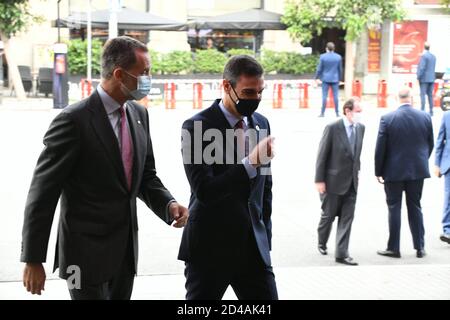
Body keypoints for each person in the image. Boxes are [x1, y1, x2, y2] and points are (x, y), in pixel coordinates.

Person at [20, 36, 189, 300]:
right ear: (120, 74)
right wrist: (32, 259)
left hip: (124, 254)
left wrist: (167, 204)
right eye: (144, 72)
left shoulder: (138, 114)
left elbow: (145, 176)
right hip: (82, 256)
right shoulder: (73, 121)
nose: (149, 78)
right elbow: (42, 192)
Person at [178, 55, 278, 300]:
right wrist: (249, 164)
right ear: (226, 86)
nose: (254, 99)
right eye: (248, 92)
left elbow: (265, 190)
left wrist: (266, 238)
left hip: (254, 250)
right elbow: (204, 190)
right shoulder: (196, 127)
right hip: (210, 249)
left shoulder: (261, 123)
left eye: (259, 92)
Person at [375, 87, 434, 259]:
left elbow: (381, 148)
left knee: (394, 208)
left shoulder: (387, 118)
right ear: (412, 98)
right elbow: (429, 144)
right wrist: (421, 161)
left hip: (393, 172)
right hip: (417, 170)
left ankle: (394, 248)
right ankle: (420, 247)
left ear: (396, 98)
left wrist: (379, 170)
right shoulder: (425, 117)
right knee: (415, 206)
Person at [315, 98, 365, 265]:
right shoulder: (333, 128)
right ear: (347, 111)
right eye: (358, 111)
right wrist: (319, 180)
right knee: (328, 216)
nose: (360, 115)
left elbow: (356, 155)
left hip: (352, 182)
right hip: (332, 181)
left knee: (347, 219)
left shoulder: (360, 128)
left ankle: (342, 253)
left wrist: (357, 173)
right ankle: (322, 241)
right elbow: (322, 155)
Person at [434, 111, 450, 244]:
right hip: (448, 163)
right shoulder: (447, 116)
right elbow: (440, 140)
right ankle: (447, 230)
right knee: (449, 197)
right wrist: (437, 164)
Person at [315, 42, 343, 118]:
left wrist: (316, 77)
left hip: (325, 78)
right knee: (336, 96)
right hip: (335, 78)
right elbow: (340, 69)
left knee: (324, 96)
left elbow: (319, 68)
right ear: (334, 49)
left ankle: (322, 113)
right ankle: (337, 113)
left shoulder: (322, 57)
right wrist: (340, 79)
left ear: (326, 48)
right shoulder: (338, 57)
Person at [417, 42, 436, 116]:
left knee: (422, 94)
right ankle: (431, 111)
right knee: (430, 95)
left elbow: (422, 67)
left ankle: (422, 111)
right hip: (431, 78)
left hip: (424, 79)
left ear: (424, 47)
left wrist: (418, 77)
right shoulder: (433, 57)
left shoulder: (424, 56)